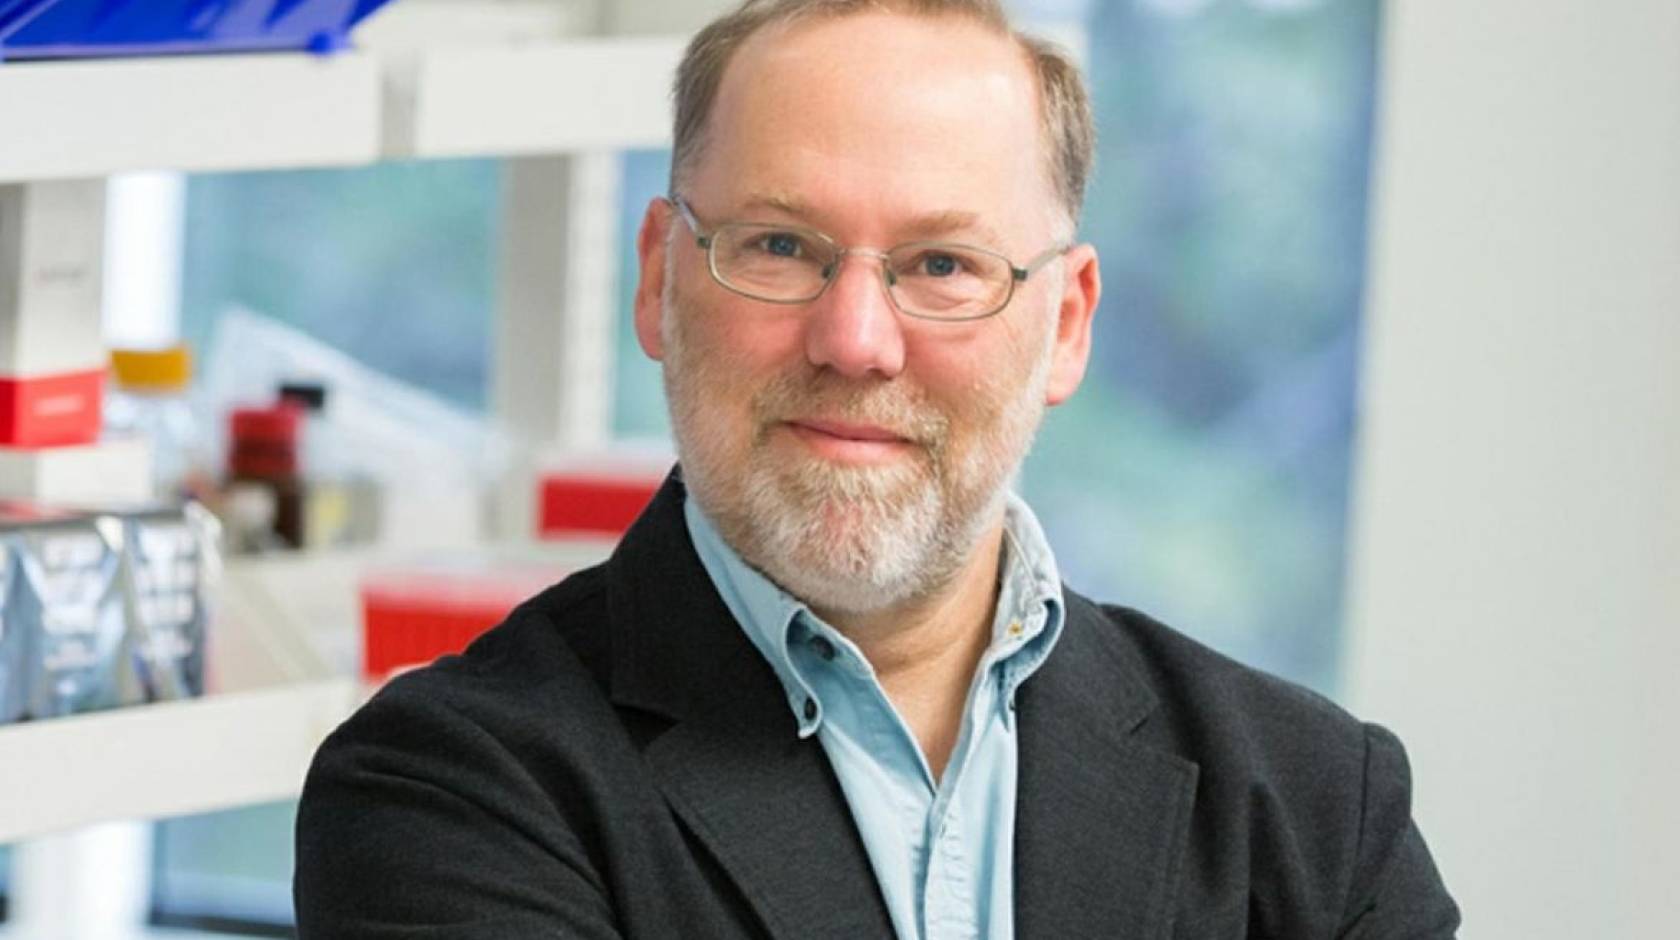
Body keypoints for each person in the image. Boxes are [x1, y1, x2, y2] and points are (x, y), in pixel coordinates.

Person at [294, 1, 1460, 937]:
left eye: (943, 263)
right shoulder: (450, 794)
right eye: (780, 246)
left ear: (1065, 325)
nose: (855, 340)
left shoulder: (1313, 804)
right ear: (658, 279)